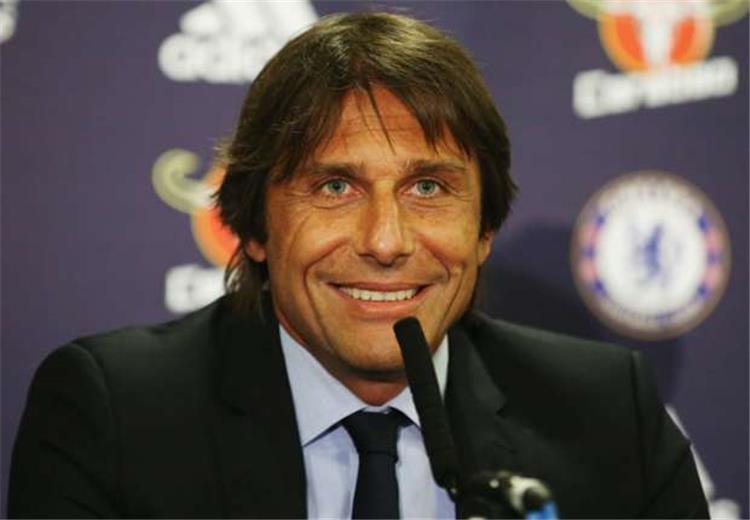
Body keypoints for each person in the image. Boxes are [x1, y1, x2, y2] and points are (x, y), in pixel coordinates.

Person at [9, 11, 708, 519]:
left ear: (485, 229)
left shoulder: (606, 415)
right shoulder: (114, 414)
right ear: (253, 226)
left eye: (427, 188)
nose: (385, 241)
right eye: (335, 187)